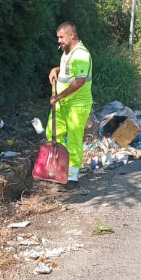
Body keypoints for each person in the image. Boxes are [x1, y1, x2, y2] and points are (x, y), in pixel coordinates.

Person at [47, 22, 93, 190]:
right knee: (52, 132)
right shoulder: (67, 52)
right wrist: (56, 69)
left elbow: (80, 80)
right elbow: (69, 69)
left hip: (77, 104)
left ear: (71, 35)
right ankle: (61, 168)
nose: (59, 41)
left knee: (74, 139)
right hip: (63, 103)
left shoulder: (81, 54)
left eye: (61, 37)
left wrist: (58, 96)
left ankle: (72, 178)